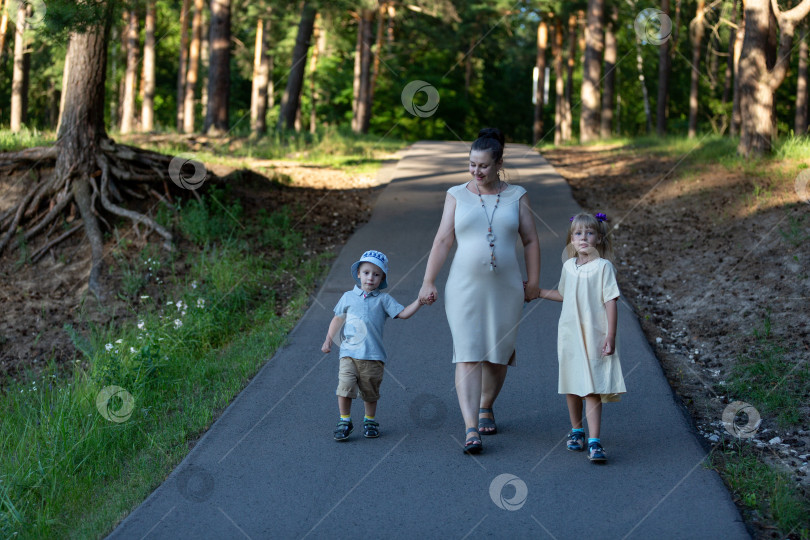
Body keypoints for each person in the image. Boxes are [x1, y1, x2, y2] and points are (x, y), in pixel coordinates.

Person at [419, 128, 541, 454]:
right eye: (472, 164)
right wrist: (428, 280)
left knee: (498, 355)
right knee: (468, 352)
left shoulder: (517, 195)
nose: (476, 171)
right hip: (463, 287)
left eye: (483, 166)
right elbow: (443, 240)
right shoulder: (456, 194)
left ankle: (487, 404)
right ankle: (471, 426)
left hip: (507, 288)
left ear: (499, 163)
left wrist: (534, 281)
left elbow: (530, 240)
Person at [538, 212, 626, 463]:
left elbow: (611, 301)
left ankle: (595, 441)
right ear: (571, 239)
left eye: (589, 233)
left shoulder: (604, 267)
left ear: (599, 238)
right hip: (569, 334)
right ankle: (577, 430)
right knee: (571, 384)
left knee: (591, 387)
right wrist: (537, 292)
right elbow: (564, 294)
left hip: (594, 335)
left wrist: (611, 335)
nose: (583, 237)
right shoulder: (569, 266)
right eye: (578, 233)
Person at [322, 249, 424, 441]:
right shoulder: (348, 297)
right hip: (348, 354)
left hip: (373, 356)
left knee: (370, 393)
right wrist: (328, 339)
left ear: (382, 278)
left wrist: (419, 301)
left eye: (376, 274)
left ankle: (370, 420)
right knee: (344, 387)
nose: (371, 278)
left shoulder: (383, 300)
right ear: (358, 273)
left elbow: (402, 314)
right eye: (367, 272)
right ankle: (345, 420)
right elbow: (337, 319)